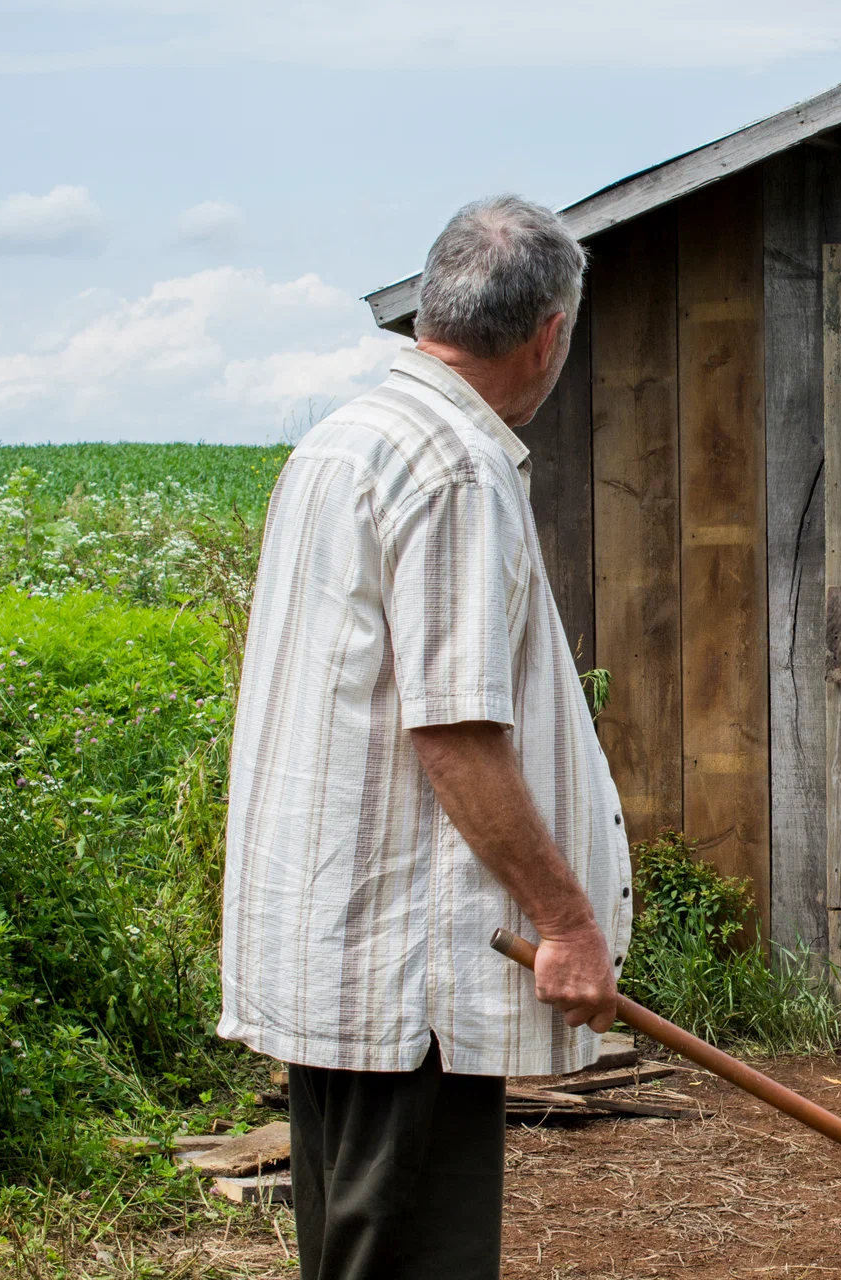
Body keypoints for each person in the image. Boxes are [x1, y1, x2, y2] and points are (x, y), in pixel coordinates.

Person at [218, 195, 631, 1279]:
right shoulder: (452, 470)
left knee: (359, 1250)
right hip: (407, 972)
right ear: (549, 335)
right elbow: (455, 732)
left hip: (347, 947)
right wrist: (568, 920)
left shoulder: (346, 439)